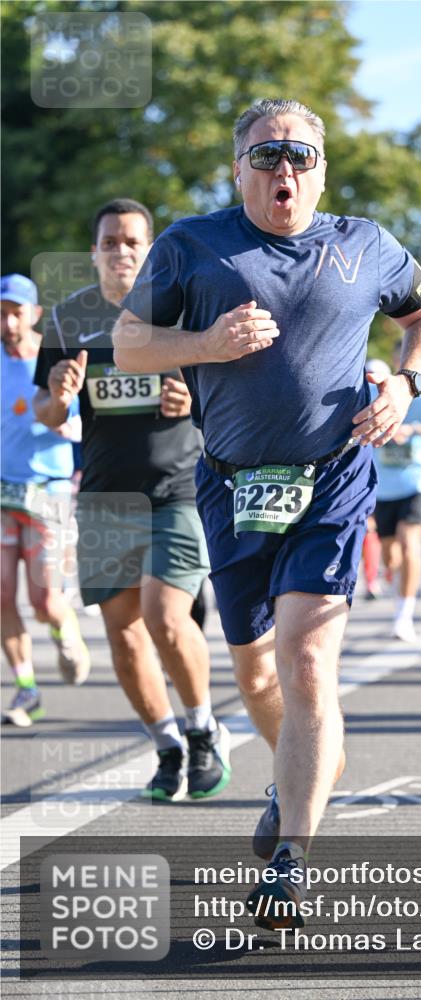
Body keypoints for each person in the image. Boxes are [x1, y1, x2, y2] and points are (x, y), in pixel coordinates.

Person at [112, 98, 421, 929]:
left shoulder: (364, 243)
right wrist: (205, 344)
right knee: (257, 673)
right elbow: (127, 343)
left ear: (321, 170)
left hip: (335, 478)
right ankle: (298, 769)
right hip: (230, 484)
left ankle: (290, 864)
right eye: (266, 157)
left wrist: (406, 384)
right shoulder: (194, 243)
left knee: (304, 662)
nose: (283, 171)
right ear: (239, 170)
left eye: (299, 156)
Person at [33, 199, 230, 801]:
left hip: (177, 487)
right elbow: (45, 412)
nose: (121, 251)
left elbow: (223, 393)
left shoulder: (177, 308)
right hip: (104, 495)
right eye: (110, 242)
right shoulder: (69, 319)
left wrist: (189, 403)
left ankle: (201, 730)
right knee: (123, 634)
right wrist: (60, 399)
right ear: (94, 252)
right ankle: (166, 745)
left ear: (151, 251)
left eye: (133, 241)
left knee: (167, 617)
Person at [1, 274, 90, 726]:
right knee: (1, 596)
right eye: (1, 313)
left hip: (49, 492)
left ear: (34, 314)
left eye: (16, 312)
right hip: (2, 492)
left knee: (43, 602)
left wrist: (62, 424)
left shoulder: (53, 359)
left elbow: (80, 424)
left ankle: (65, 628)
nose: (8, 321)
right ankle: (26, 689)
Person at [372, 344, 421, 642]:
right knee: (390, 557)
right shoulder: (381, 388)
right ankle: (399, 588)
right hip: (383, 485)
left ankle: (404, 616)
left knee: (409, 544)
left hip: (416, 481)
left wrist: (412, 430)